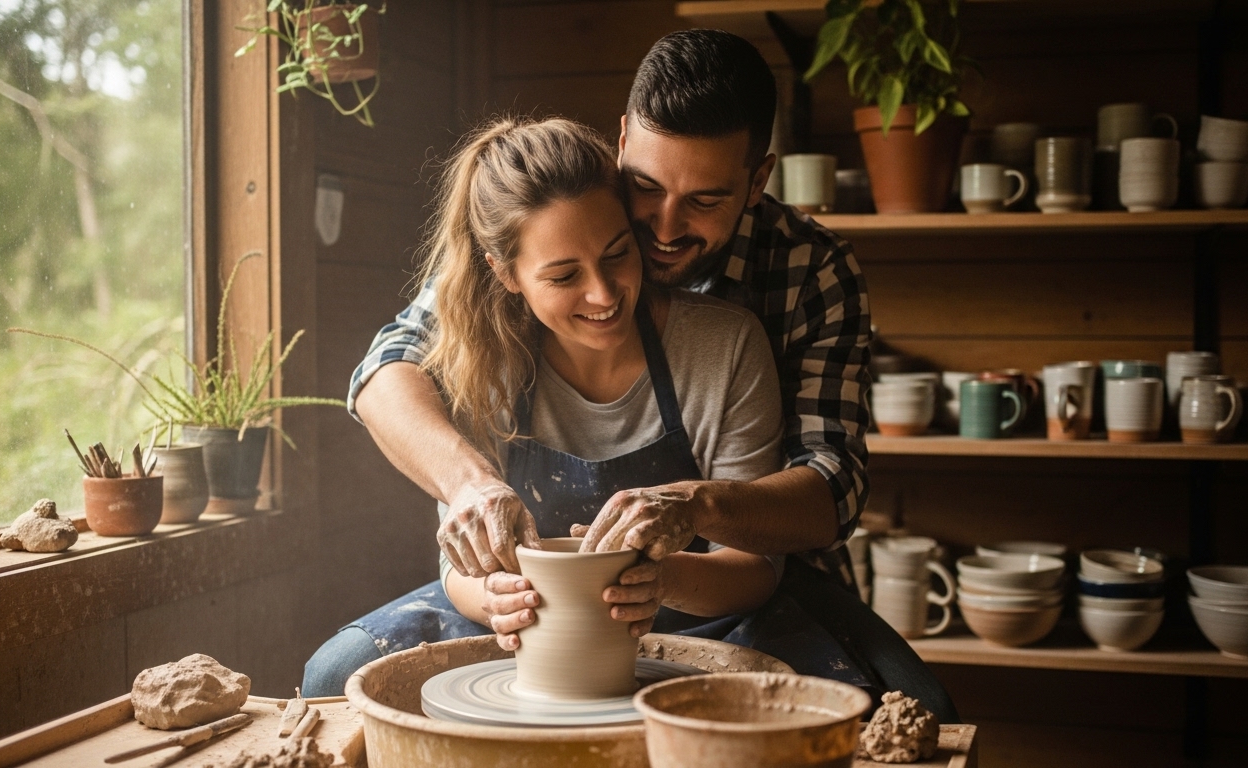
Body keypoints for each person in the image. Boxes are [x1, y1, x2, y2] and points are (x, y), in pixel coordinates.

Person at [331, 30, 958, 721]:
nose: (661, 225)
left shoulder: (805, 275)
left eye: (705, 201)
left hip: (739, 576)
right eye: (647, 189)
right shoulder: (547, 227)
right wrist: (470, 484)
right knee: (338, 674)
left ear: (758, 178)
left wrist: (695, 508)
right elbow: (387, 369)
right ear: (623, 142)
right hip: (538, 615)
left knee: (912, 713)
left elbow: (831, 487)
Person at [303, 115, 862, 696]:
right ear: (504, 272)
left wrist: (661, 577)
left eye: (619, 254)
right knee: (333, 675)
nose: (603, 293)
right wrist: (495, 596)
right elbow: (459, 563)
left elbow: (756, 566)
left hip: (702, 608)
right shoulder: (479, 347)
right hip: (528, 631)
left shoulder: (725, 343)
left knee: (865, 701)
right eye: (564, 275)